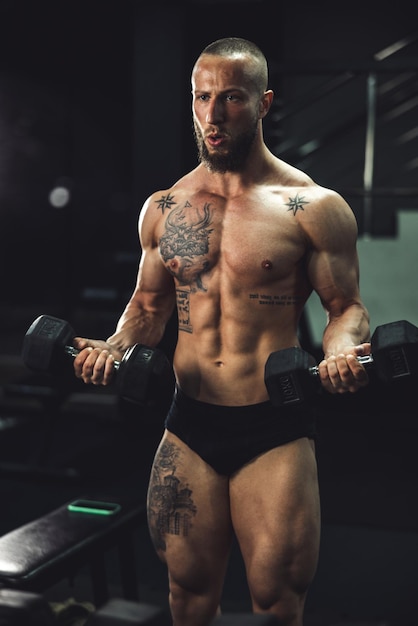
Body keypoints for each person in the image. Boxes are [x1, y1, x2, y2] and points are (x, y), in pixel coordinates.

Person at [72, 37, 371, 626]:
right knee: (186, 592)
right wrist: (114, 345)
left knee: (276, 599)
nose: (213, 114)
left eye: (231, 98)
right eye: (201, 97)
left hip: (274, 429)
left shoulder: (311, 206)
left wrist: (341, 352)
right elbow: (148, 305)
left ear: (263, 103)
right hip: (188, 425)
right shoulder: (165, 207)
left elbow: (346, 308)